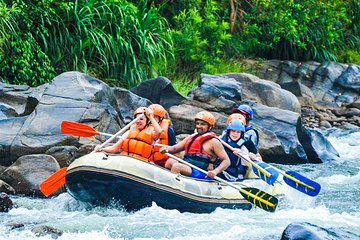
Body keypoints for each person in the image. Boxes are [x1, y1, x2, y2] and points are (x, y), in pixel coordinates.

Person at [159, 111, 230, 179]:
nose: (199, 126)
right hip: (188, 165)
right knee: (169, 162)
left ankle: (172, 186)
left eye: (203, 124)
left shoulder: (214, 142)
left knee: (177, 166)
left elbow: (226, 161)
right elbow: (175, 149)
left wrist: (215, 171)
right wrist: (166, 149)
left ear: (210, 127)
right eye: (197, 123)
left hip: (201, 171)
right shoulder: (191, 138)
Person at [95, 107, 162, 162]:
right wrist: (102, 149)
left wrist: (150, 116)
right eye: (136, 119)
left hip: (141, 163)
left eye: (141, 119)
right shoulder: (128, 133)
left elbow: (159, 131)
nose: (138, 121)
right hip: (126, 160)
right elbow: (114, 148)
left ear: (148, 121)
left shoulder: (153, 134)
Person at [148, 104, 177, 168]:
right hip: (147, 159)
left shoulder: (168, 130)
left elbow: (173, 147)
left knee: (173, 162)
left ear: (160, 118)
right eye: (149, 117)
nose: (151, 119)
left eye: (154, 117)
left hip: (162, 161)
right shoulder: (145, 127)